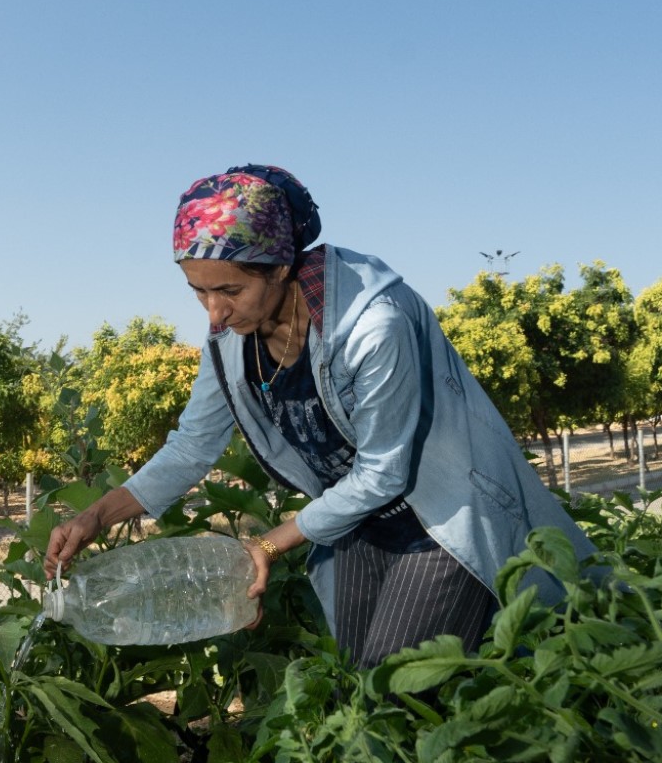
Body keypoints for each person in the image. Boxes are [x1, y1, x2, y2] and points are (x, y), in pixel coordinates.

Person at [42, 164, 597, 667]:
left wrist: (265, 544)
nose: (214, 311)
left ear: (281, 266)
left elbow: (384, 471)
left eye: (230, 290)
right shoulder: (229, 339)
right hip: (353, 524)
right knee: (357, 685)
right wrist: (96, 517)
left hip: (443, 518)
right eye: (198, 292)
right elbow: (192, 446)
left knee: (393, 689)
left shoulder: (375, 325)